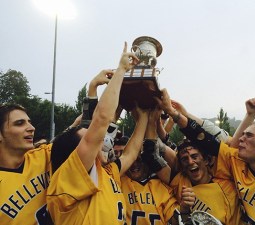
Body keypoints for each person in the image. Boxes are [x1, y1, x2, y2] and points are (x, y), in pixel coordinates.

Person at [156, 88, 255, 224]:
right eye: (242, 135)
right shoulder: (236, 163)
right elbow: (203, 138)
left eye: (249, 136)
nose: (241, 139)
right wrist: (173, 113)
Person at [46, 42, 151, 225]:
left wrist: (143, 116)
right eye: (89, 139)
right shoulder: (69, 177)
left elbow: (131, 152)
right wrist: (121, 70)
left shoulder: (106, 171)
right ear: (74, 155)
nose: (100, 139)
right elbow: (102, 119)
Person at [121, 108, 193, 225]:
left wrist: (184, 210)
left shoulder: (162, 186)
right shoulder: (119, 181)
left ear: (146, 161)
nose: (134, 164)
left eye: (138, 160)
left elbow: (174, 221)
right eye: (131, 160)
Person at [0, 104, 52, 225]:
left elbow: (86, 139)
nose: (31, 128)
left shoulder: (44, 155)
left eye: (29, 122)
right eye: (19, 123)